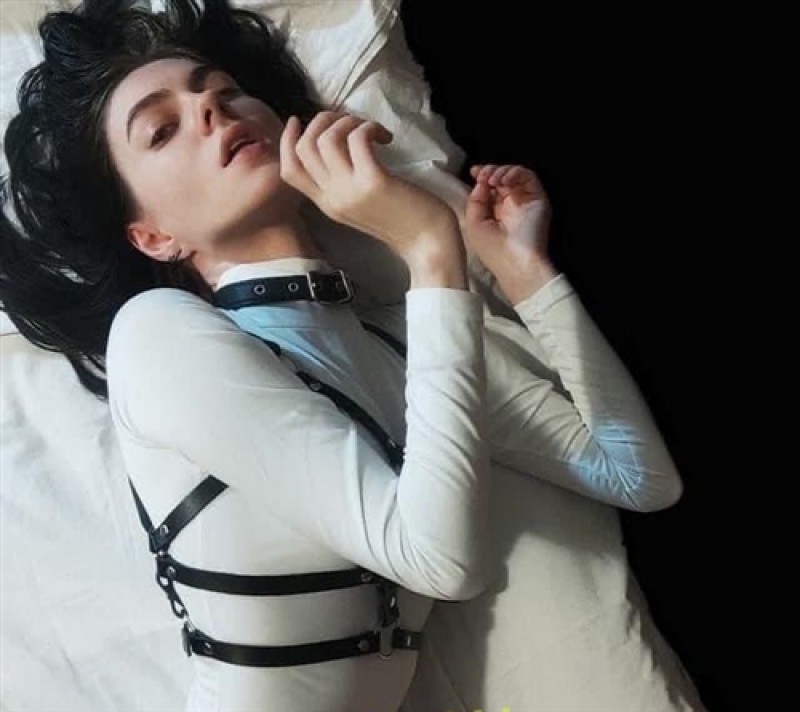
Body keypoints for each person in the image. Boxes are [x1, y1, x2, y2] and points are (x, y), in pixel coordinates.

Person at [0, 1, 701, 711]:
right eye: (162, 129)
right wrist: (428, 245)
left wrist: (523, 272)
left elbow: (637, 475)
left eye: (224, 91)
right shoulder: (157, 336)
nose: (211, 110)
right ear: (153, 238)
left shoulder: (413, 337)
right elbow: (437, 560)